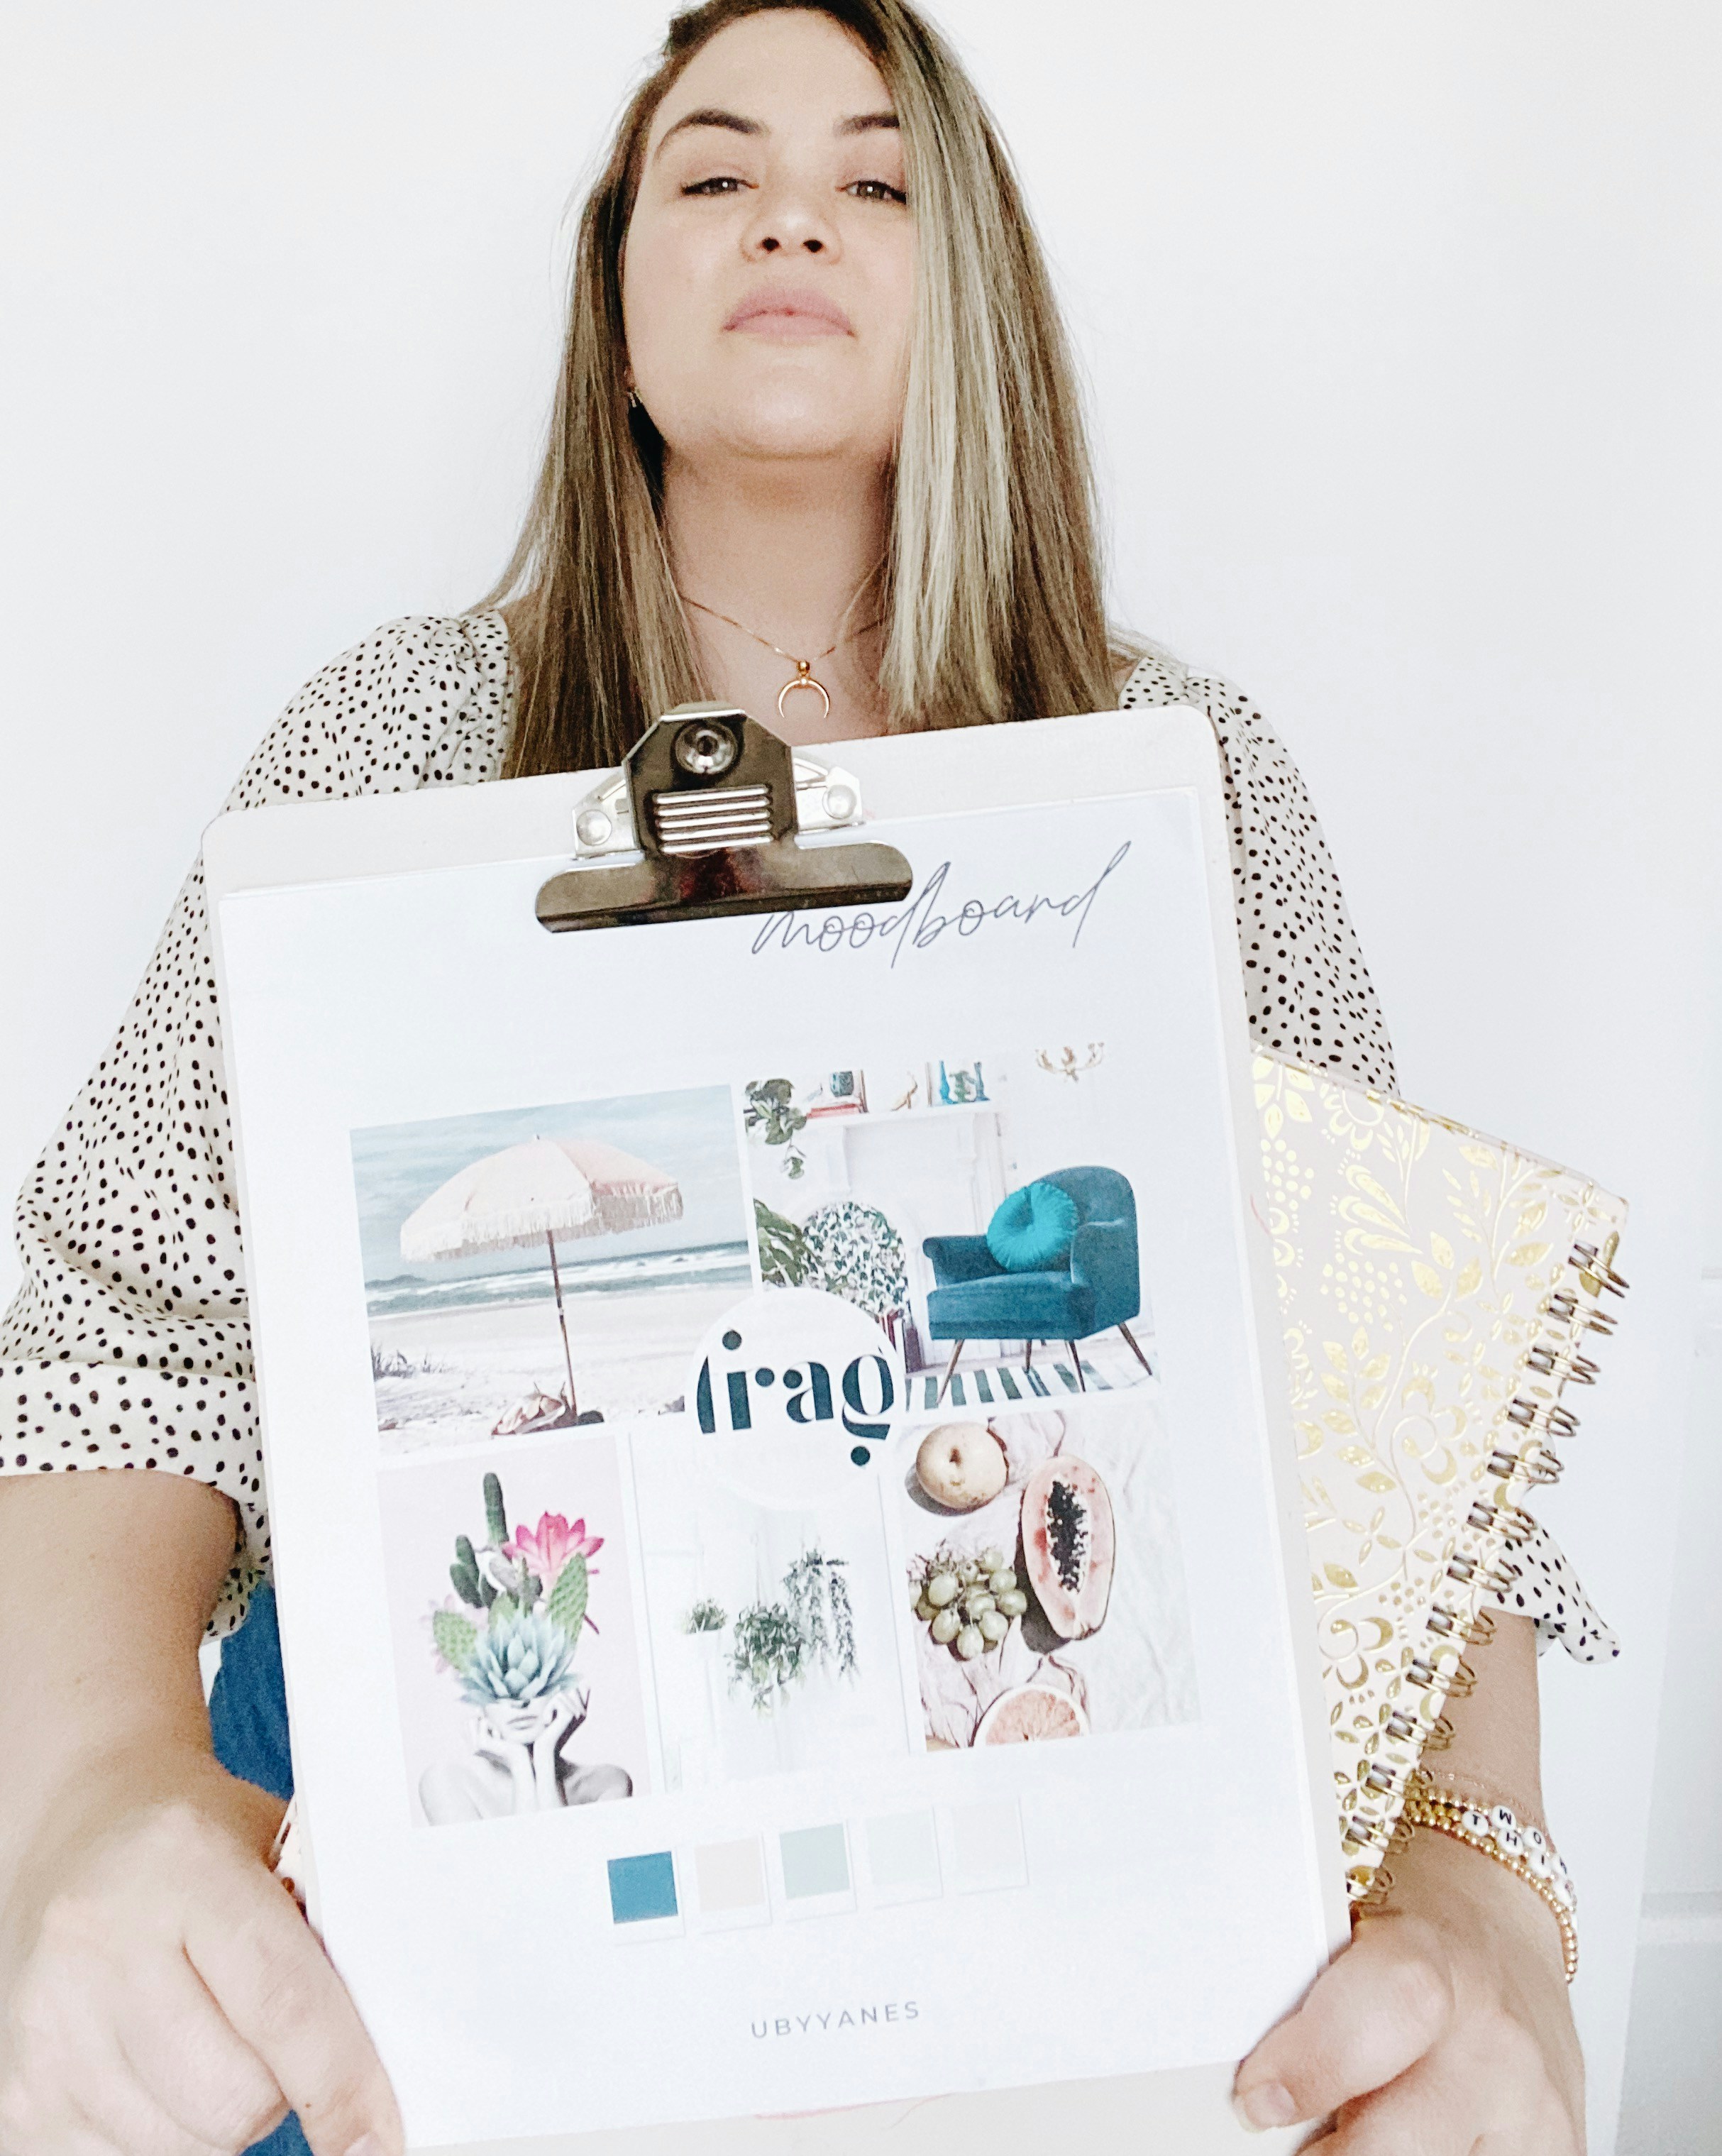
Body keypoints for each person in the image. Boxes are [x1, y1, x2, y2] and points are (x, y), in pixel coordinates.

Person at [0, 4, 1608, 2151]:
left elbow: (1396, 1433)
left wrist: (1485, 1889)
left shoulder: (1189, 783)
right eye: (712, 167)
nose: (789, 211)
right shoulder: (383, 744)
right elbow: (117, 1354)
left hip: (1076, 1964)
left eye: (874, 179)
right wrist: (86, 1801)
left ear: (976, 288)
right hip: (426, 1986)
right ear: (619, 289)